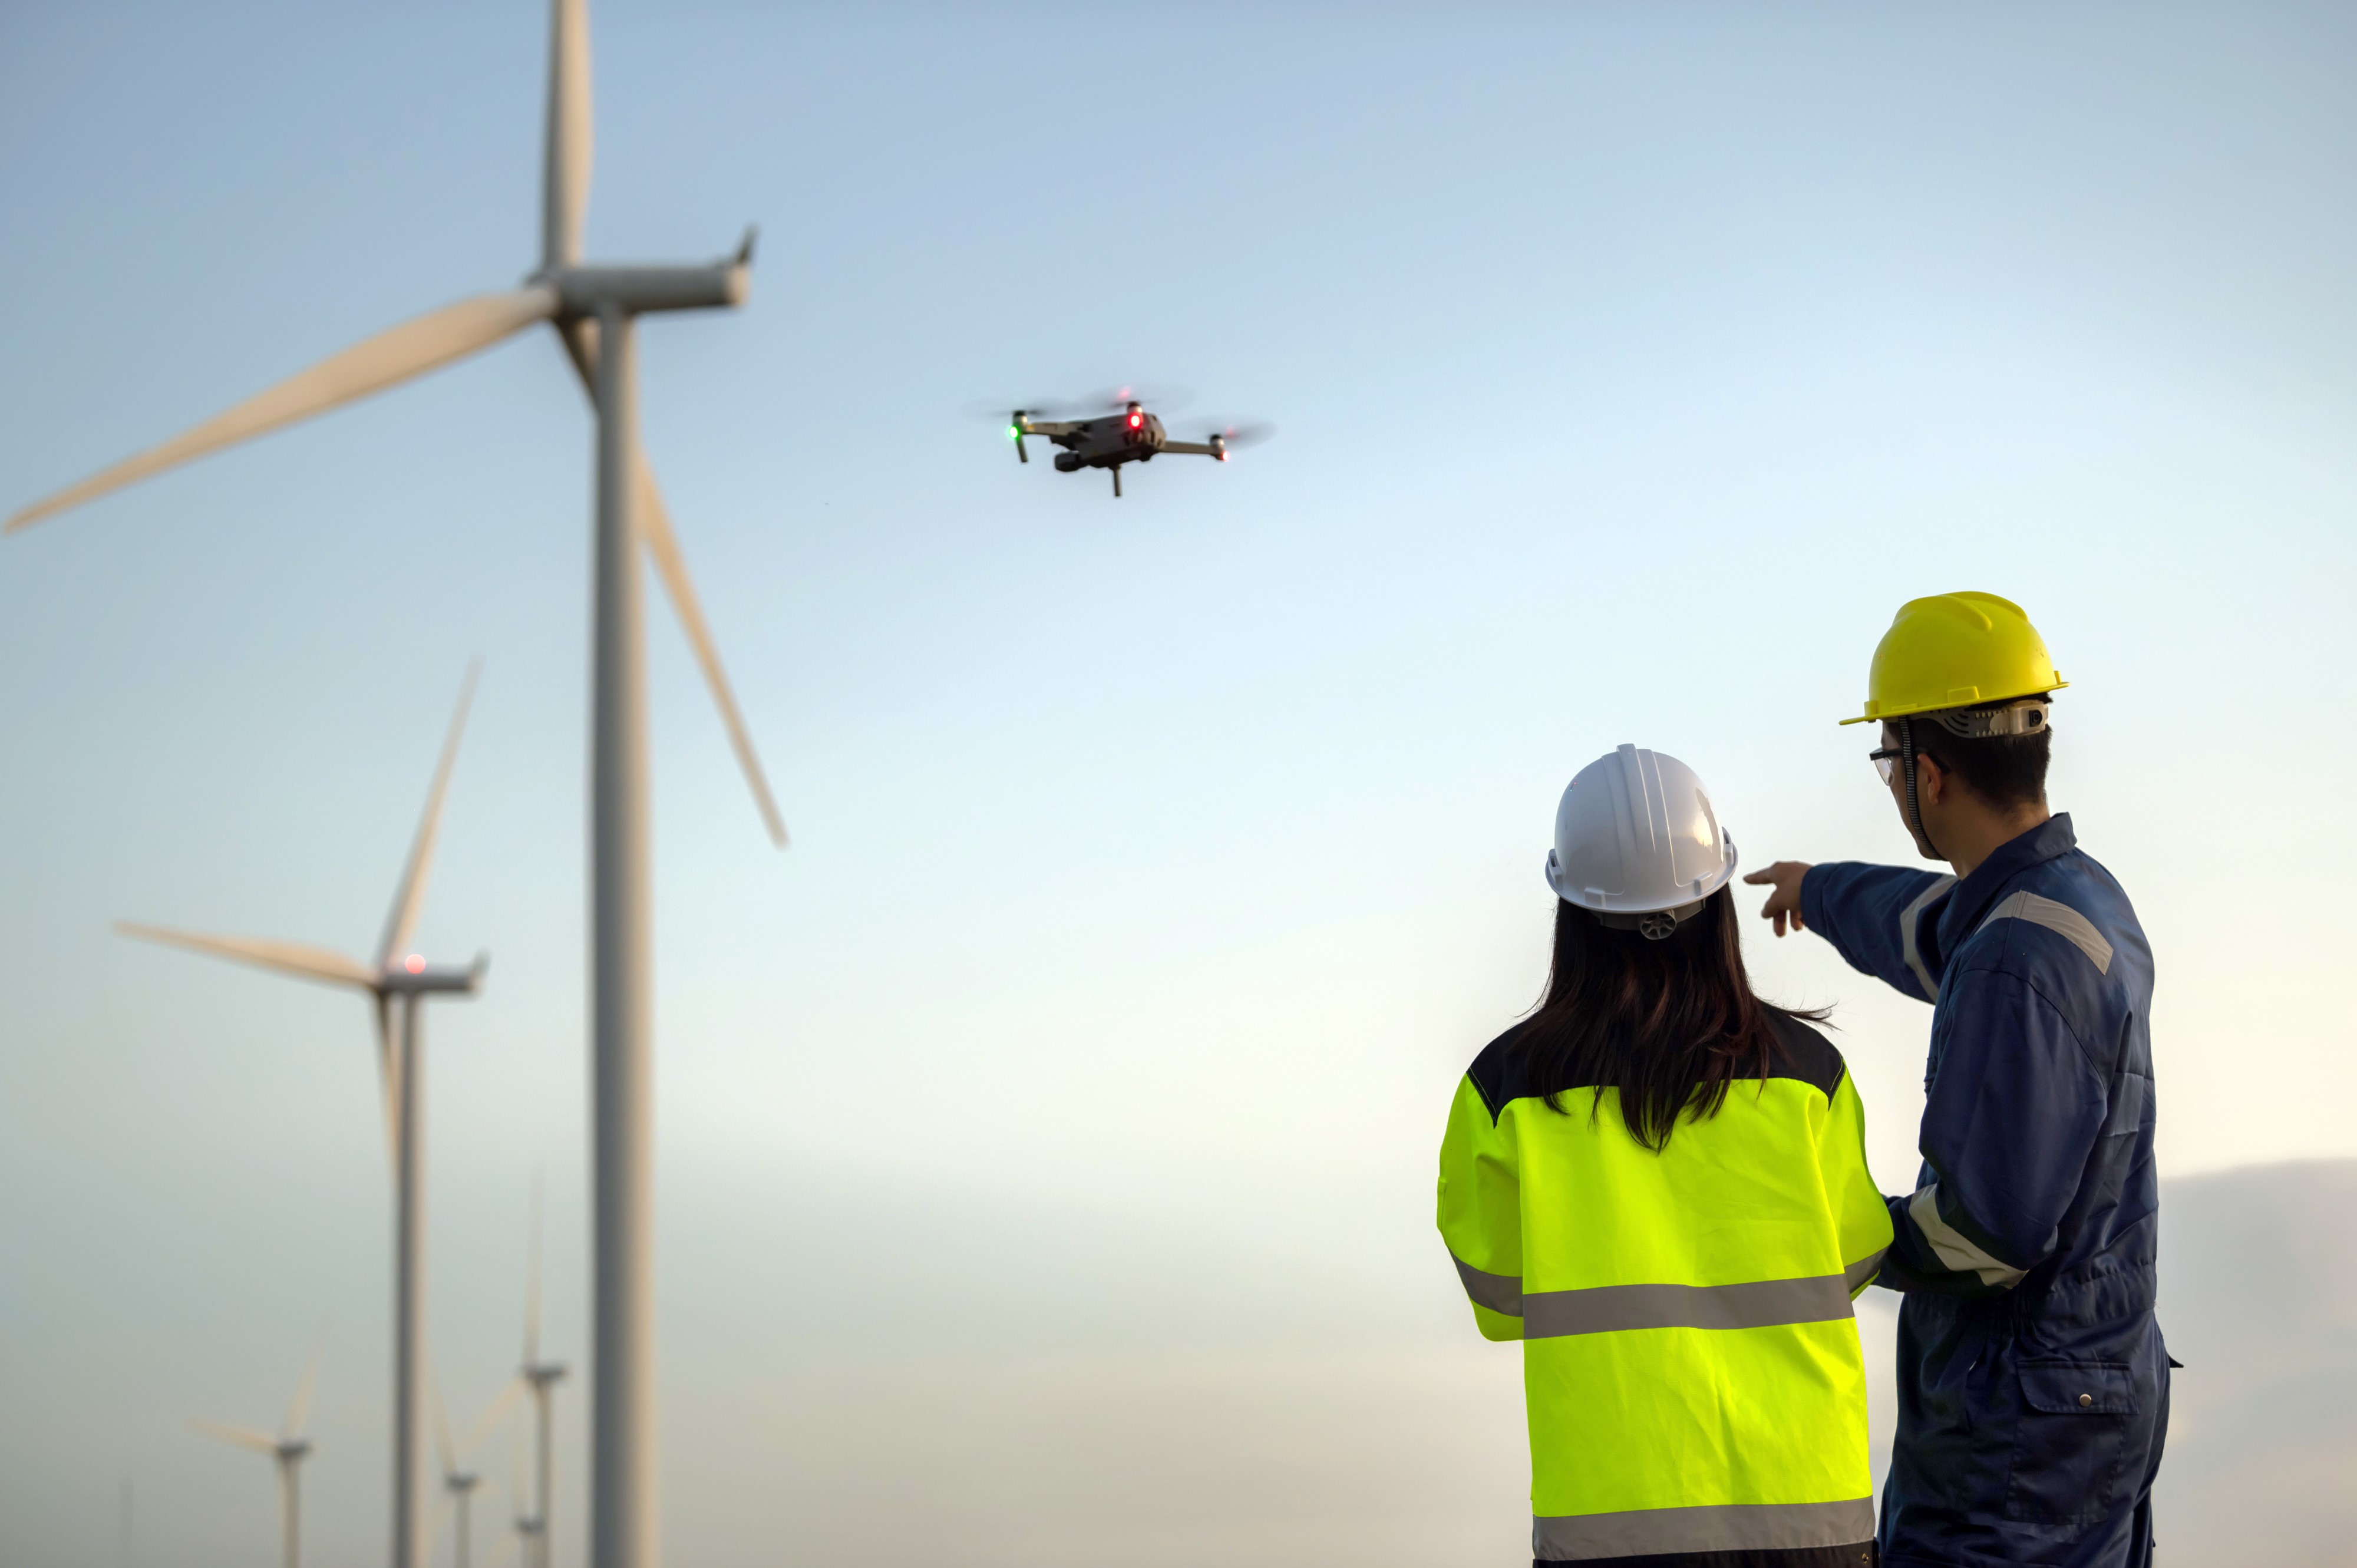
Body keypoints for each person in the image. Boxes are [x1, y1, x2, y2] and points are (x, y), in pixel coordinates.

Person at [1744, 592, 2167, 1568]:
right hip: (2089, 1393)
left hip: (2013, 1452)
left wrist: (1833, 1231)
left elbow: (1985, 1237)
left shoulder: (2015, 961)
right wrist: (1821, 889)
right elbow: (1935, 923)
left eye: (1889, 760)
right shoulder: (2074, 896)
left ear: (1927, 774)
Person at [1439, 745, 1892, 1568]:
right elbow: (1857, 1254)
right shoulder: (1809, 1076)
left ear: (1571, 913)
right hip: (1807, 1522)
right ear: (1717, 899)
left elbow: (1501, 1296)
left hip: (1614, 1527)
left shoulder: (1504, 1092)